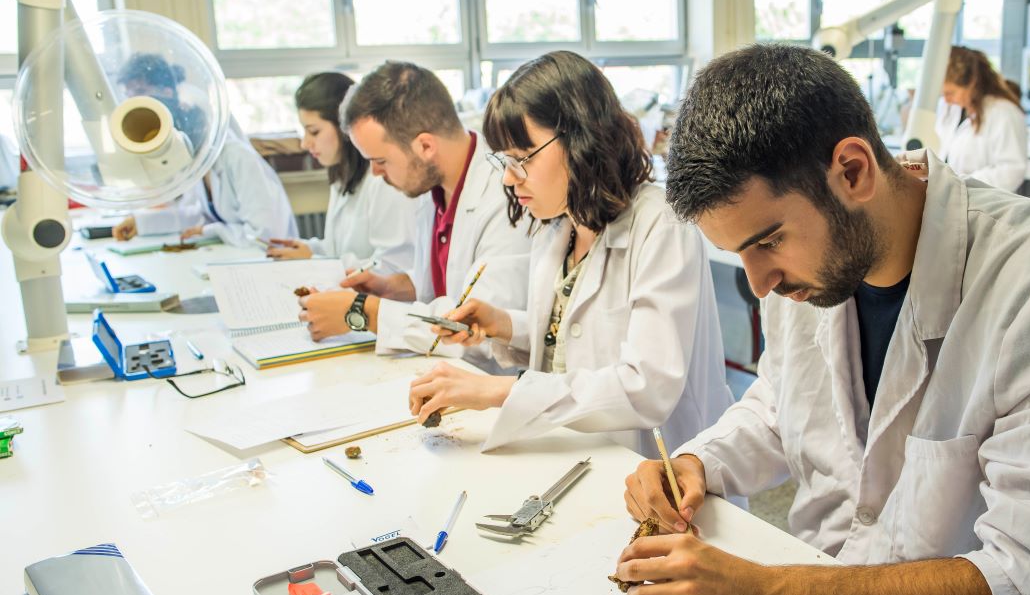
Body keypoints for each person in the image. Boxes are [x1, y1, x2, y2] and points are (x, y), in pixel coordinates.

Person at [612, 44, 1030, 595]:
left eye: (767, 241)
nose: (758, 282)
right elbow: (782, 405)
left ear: (852, 170)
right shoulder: (812, 272)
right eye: (740, 254)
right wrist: (698, 461)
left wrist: (768, 591)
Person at [408, 51, 733, 457]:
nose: (509, 179)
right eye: (504, 161)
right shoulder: (561, 225)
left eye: (522, 158)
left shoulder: (660, 224)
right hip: (579, 452)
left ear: (582, 139)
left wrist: (498, 390)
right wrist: (504, 325)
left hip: (661, 468)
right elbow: (577, 342)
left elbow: (647, 386)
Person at [296, 62, 528, 362]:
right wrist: (395, 288)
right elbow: (448, 283)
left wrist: (366, 312)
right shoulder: (431, 186)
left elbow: (480, 332)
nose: (375, 173)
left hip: (489, 384)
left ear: (425, 146)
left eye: (380, 160)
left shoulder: (506, 195)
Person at [111, 54, 298, 246]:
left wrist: (212, 230)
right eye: (129, 95)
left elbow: (264, 236)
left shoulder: (237, 157)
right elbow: (197, 215)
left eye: (141, 91)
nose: (134, 104)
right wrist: (141, 223)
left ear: (168, 94)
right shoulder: (193, 159)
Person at [265, 72, 417, 274]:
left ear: (345, 127)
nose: (305, 143)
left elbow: (392, 269)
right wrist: (308, 249)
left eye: (314, 131)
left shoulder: (383, 180)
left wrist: (313, 260)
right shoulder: (341, 174)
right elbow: (338, 250)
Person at [935, 46, 1028, 193]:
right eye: (942, 93)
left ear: (972, 83)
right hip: (951, 199)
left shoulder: (1003, 112)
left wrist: (961, 184)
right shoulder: (950, 108)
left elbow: (1011, 171)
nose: (946, 99)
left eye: (950, 93)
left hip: (985, 204)